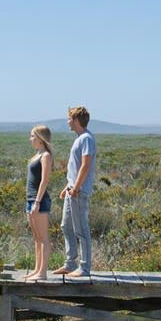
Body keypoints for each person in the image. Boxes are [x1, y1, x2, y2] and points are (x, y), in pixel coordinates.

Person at [52, 105, 96, 278]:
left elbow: (85, 165)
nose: (68, 121)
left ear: (76, 120)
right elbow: (77, 167)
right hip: (73, 190)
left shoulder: (86, 138)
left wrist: (76, 188)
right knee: (66, 226)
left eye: (70, 118)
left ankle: (84, 267)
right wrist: (68, 186)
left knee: (81, 229)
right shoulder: (80, 138)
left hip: (79, 191)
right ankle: (70, 264)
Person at [24, 124, 54, 280]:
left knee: (43, 238)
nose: (30, 139)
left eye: (32, 136)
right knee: (36, 238)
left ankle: (42, 273)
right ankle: (36, 269)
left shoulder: (46, 156)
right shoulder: (37, 155)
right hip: (30, 200)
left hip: (39, 201)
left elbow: (45, 180)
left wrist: (37, 201)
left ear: (40, 138)